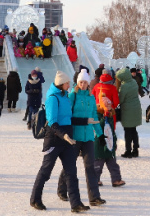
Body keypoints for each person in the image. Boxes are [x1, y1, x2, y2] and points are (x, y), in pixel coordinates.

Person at [30, 70, 89, 213]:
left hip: (67, 140)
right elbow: (52, 122)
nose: (70, 85)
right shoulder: (52, 98)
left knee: (71, 172)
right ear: (61, 84)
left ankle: (76, 203)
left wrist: (86, 121)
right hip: (54, 140)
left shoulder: (65, 97)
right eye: (67, 83)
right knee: (45, 171)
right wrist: (64, 135)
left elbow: (68, 118)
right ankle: (35, 199)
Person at [59, 71, 104, 207]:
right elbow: (68, 116)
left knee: (90, 166)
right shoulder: (72, 96)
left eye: (85, 82)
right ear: (77, 83)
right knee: (70, 164)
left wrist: (100, 134)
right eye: (81, 82)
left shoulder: (91, 97)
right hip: (75, 136)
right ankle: (62, 189)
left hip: (88, 136)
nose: (83, 84)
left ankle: (94, 197)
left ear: (88, 83)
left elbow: (94, 117)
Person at [94, 96, 125, 187]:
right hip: (99, 144)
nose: (109, 107)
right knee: (98, 165)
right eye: (106, 106)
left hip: (109, 144)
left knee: (113, 165)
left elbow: (111, 130)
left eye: (110, 106)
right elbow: (99, 127)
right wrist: (104, 118)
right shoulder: (97, 115)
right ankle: (95, 179)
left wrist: (114, 142)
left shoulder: (110, 115)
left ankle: (116, 179)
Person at [115, 67, 142, 158]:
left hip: (128, 110)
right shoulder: (133, 82)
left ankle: (128, 150)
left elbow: (121, 100)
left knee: (127, 131)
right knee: (133, 130)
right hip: (136, 108)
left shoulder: (124, 86)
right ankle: (135, 149)